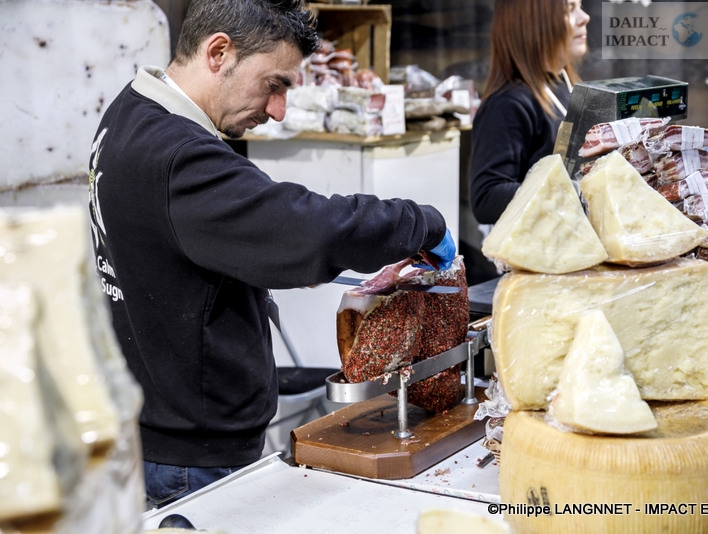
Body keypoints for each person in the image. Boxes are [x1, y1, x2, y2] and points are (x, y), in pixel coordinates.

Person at [87, 0, 455, 509]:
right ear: (219, 52)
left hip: (160, 425)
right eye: (274, 84)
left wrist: (262, 253)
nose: (278, 109)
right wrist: (421, 222)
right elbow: (310, 230)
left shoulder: (129, 112)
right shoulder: (178, 155)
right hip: (194, 453)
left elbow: (178, 244)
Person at [469, 0, 590, 225]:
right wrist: (571, 193)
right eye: (569, 8)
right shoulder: (507, 104)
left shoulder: (566, 84)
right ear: (534, 22)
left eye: (580, 6)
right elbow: (486, 197)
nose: (585, 17)